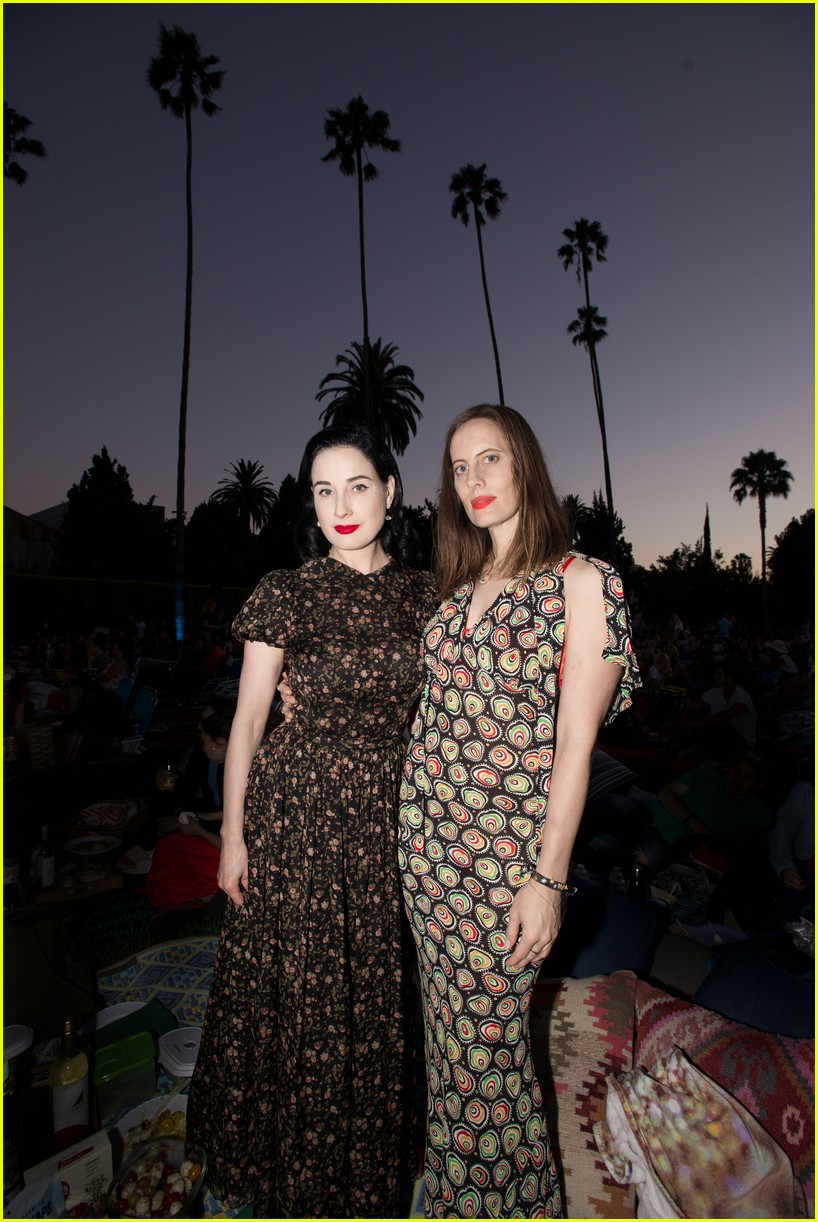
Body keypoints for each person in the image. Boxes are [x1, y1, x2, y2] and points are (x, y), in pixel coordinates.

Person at [186, 424, 438, 1218]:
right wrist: (231, 837)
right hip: (293, 813)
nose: (341, 506)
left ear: (391, 491)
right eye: (324, 490)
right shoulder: (285, 591)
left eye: (358, 485)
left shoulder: (428, 595)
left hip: (383, 820)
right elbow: (250, 721)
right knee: (291, 989)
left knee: (373, 993)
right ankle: (280, 1164)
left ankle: (362, 1170)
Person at [398, 405, 639, 1218]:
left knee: (488, 1072)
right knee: (451, 1058)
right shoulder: (455, 593)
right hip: (426, 859)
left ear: (525, 466)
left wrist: (548, 879)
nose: (472, 481)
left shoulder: (582, 581)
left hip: (503, 868)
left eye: (489, 460)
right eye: (459, 468)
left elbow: (576, 747)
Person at [145, 701, 236, 911]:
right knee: (168, 846)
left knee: (172, 849)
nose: (199, 728)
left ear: (220, 739)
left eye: (205, 724)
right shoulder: (207, 756)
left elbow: (238, 837)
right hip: (215, 831)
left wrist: (199, 828)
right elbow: (223, 810)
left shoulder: (237, 769)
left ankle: (197, 901)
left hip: (231, 849)